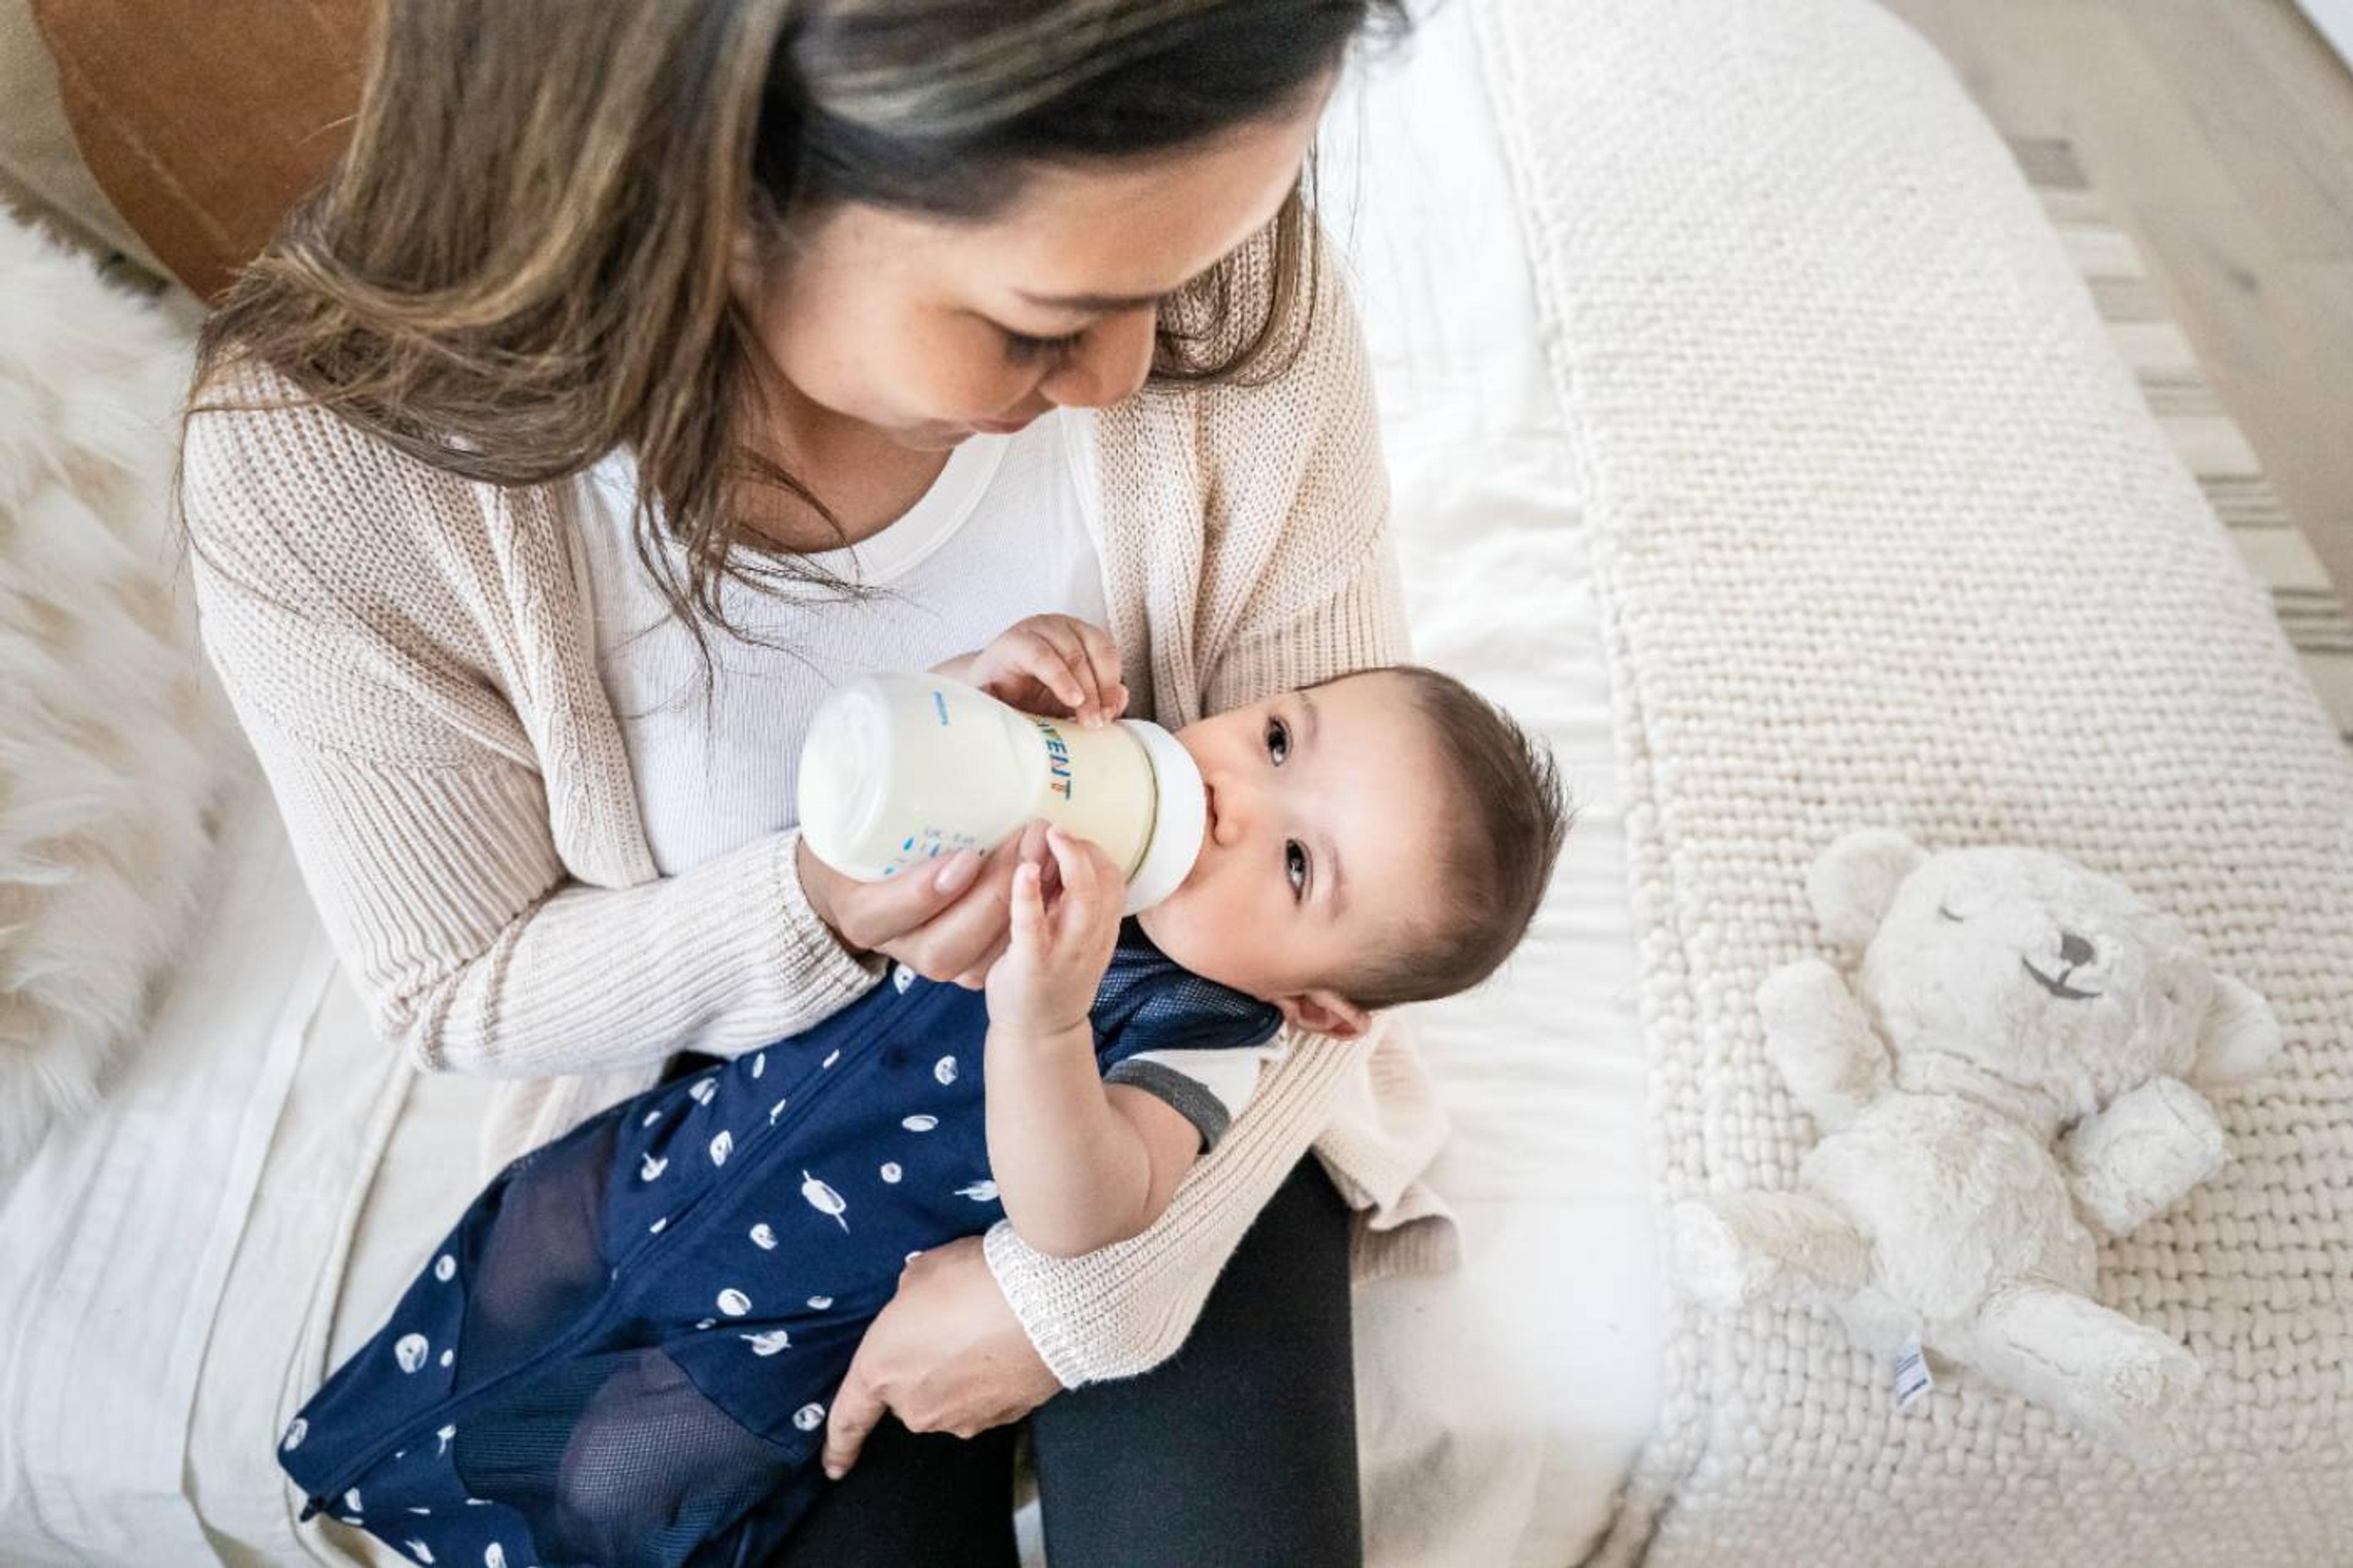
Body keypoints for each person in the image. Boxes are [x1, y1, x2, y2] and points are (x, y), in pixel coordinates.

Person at [180, 4, 1458, 1562]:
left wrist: (1069, 1298)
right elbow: (457, 980)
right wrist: (820, 906)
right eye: (1043, 319)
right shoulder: (328, 477)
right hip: (764, 1107)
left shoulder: (1204, 256)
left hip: (1175, 1040)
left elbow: (1353, 904)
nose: (1133, 373)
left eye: (1173, 279)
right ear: (710, 192)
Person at [275, 629, 1567, 1568]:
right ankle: (365, 1479)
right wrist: (987, 711)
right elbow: (879, 808)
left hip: (769, 1334)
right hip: (675, 1159)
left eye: (1297, 862)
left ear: (1323, 1009)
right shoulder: (1092, 787)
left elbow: (1092, 1208)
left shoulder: (1210, 1030)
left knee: (608, 1477)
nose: (1232, 801)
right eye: (1277, 737)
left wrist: (1048, 1019)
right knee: (502, 1301)